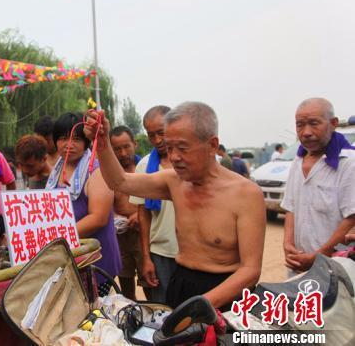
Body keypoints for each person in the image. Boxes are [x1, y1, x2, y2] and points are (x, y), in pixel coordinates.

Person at [84, 102, 266, 311]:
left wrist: (203, 304)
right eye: (170, 148)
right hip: (181, 283)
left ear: (213, 145)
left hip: (227, 292)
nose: (174, 157)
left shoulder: (246, 194)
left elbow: (251, 270)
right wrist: (102, 142)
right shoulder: (174, 181)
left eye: (182, 148)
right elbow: (120, 182)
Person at [46, 112, 121, 296]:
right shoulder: (57, 169)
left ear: (87, 141)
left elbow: (99, 218)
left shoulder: (96, 169)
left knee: (94, 315)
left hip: (95, 260)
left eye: (76, 139)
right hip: (66, 257)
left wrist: (56, 238)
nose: (68, 145)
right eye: (63, 138)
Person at [282, 98, 355, 274]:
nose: (306, 132)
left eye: (314, 124)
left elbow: (351, 217)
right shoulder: (297, 161)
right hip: (298, 265)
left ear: (333, 124)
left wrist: (319, 255)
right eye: (300, 125)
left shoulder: (349, 162)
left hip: (336, 267)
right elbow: (290, 207)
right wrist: (288, 244)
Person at [128, 106, 178, 303]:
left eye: (161, 133)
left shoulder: (189, 163)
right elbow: (143, 215)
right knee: (162, 309)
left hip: (192, 251)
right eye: (151, 135)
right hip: (160, 253)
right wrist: (146, 258)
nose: (157, 140)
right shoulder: (145, 166)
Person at [109, 125, 143, 300]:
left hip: (144, 233)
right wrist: (114, 218)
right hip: (120, 234)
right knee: (125, 281)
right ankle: (132, 317)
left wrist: (140, 215)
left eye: (126, 147)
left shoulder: (145, 169)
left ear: (134, 144)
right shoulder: (109, 174)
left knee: (149, 279)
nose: (123, 153)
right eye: (117, 149)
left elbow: (158, 200)